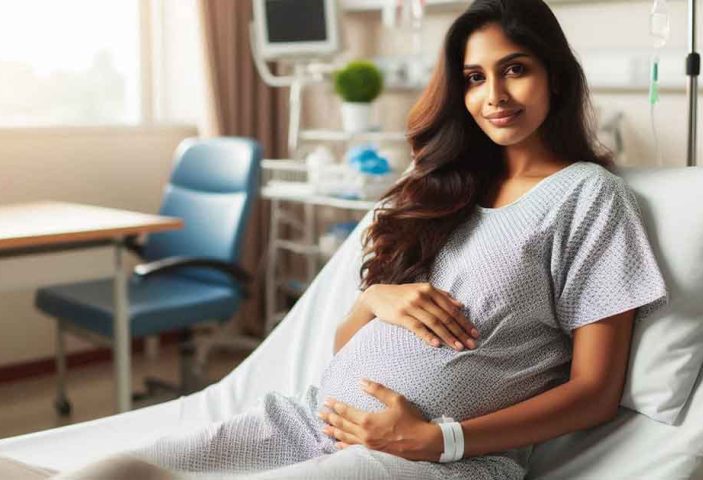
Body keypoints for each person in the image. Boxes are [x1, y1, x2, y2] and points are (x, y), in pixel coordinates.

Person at [11, 0, 667, 478]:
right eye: (473, 77)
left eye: (514, 69)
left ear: (555, 74)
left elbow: (594, 390)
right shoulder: (449, 192)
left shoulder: (588, 199)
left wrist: (440, 441)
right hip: (306, 420)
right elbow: (348, 345)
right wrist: (377, 298)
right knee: (108, 471)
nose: (493, 94)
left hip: (427, 463)